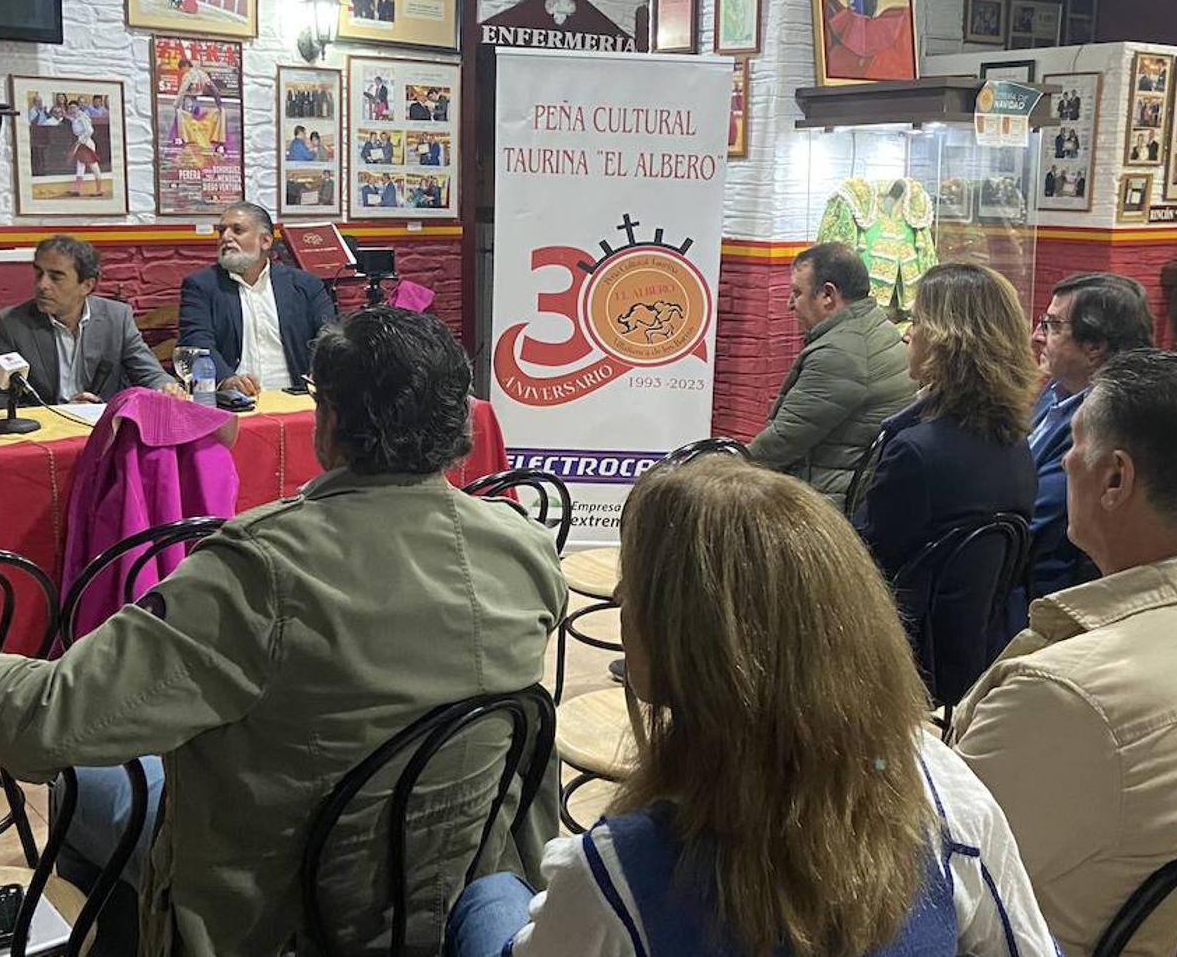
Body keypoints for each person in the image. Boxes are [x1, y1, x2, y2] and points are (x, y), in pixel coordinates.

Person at [0, 306, 566, 957]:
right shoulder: (525, 549)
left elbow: (53, 723)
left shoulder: (255, 569)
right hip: (448, 877)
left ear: (325, 424)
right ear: (462, 422)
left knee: (81, 786)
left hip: (280, 913)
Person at [446, 456, 1059, 957]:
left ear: (678, 642)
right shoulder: (941, 788)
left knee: (489, 894)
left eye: (632, 587)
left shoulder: (615, 874)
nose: (619, 598)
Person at [950, 350, 1177, 956]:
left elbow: (927, 864)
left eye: (1074, 443)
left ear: (1115, 478)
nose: (1065, 460)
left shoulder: (1066, 694)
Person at [851, 264, 1038, 703]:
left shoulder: (916, 453)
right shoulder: (1014, 444)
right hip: (974, 653)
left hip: (903, 661)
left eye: (916, 323)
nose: (906, 335)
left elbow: (858, 570)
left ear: (946, 340)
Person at [746, 243, 913, 507]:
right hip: (859, 495)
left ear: (827, 295)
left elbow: (781, 442)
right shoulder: (876, 325)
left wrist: (720, 470)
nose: (790, 304)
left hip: (825, 509)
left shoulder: (839, 352)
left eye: (797, 293)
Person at [1024, 273, 1152, 604]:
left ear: (1094, 346)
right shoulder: (1060, 389)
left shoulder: (1109, 419)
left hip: (1041, 591)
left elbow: (1035, 519)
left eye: (1051, 325)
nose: (1037, 336)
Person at [0, 236, 185, 409]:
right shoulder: (12, 324)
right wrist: (58, 413)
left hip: (104, 432)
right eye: (38, 273)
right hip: (46, 435)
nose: (42, 285)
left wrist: (166, 387)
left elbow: (149, 373)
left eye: (56, 277)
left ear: (87, 285)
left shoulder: (116, 318)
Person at [177, 202, 337, 396]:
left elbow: (329, 336)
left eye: (237, 230)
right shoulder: (201, 286)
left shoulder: (306, 285)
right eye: (222, 231)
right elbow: (197, 343)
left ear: (266, 241)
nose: (226, 237)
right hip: (234, 401)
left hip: (296, 395)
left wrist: (320, 373)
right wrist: (226, 381)